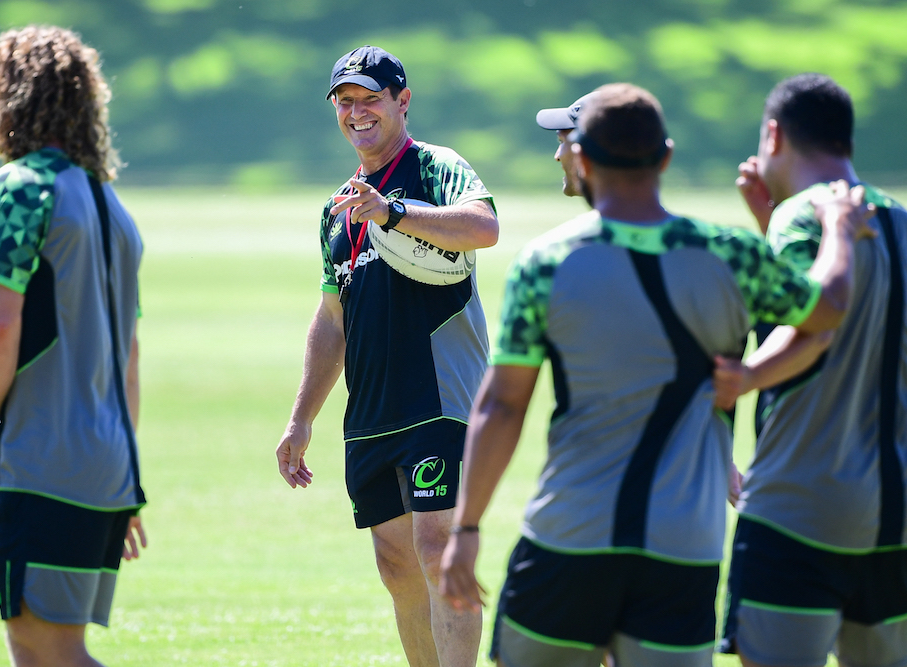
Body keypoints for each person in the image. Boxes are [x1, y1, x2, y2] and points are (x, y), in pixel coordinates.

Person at [437, 83, 875, 667]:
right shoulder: (734, 255)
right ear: (665, 159)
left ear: (584, 159)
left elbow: (502, 407)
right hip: (684, 551)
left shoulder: (545, 263)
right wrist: (840, 232)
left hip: (569, 537)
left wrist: (465, 529)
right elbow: (827, 311)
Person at [274, 45, 498, 666]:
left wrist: (396, 211)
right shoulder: (337, 209)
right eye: (345, 102)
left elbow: (484, 228)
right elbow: (332, 319)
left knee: (437, 548)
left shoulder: (436, 168)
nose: (356, 112)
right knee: (396, 564)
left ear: (402, 102)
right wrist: (301, 418)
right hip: (371, 411)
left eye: (370, 99)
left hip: (439, 396)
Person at [0, 25, 147, 667]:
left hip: (45, 456)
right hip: (106, 463)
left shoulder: (20, 187)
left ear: (6, 99)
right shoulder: (114, 210)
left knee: (46, 650)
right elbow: (130, 360)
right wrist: (125, 478)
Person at [715, 73, 907, 667]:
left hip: (798, 510)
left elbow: (817, 327)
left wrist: (744, 378)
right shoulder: (901, 221)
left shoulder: (802, 219)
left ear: (774, 134)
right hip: (893, 516)